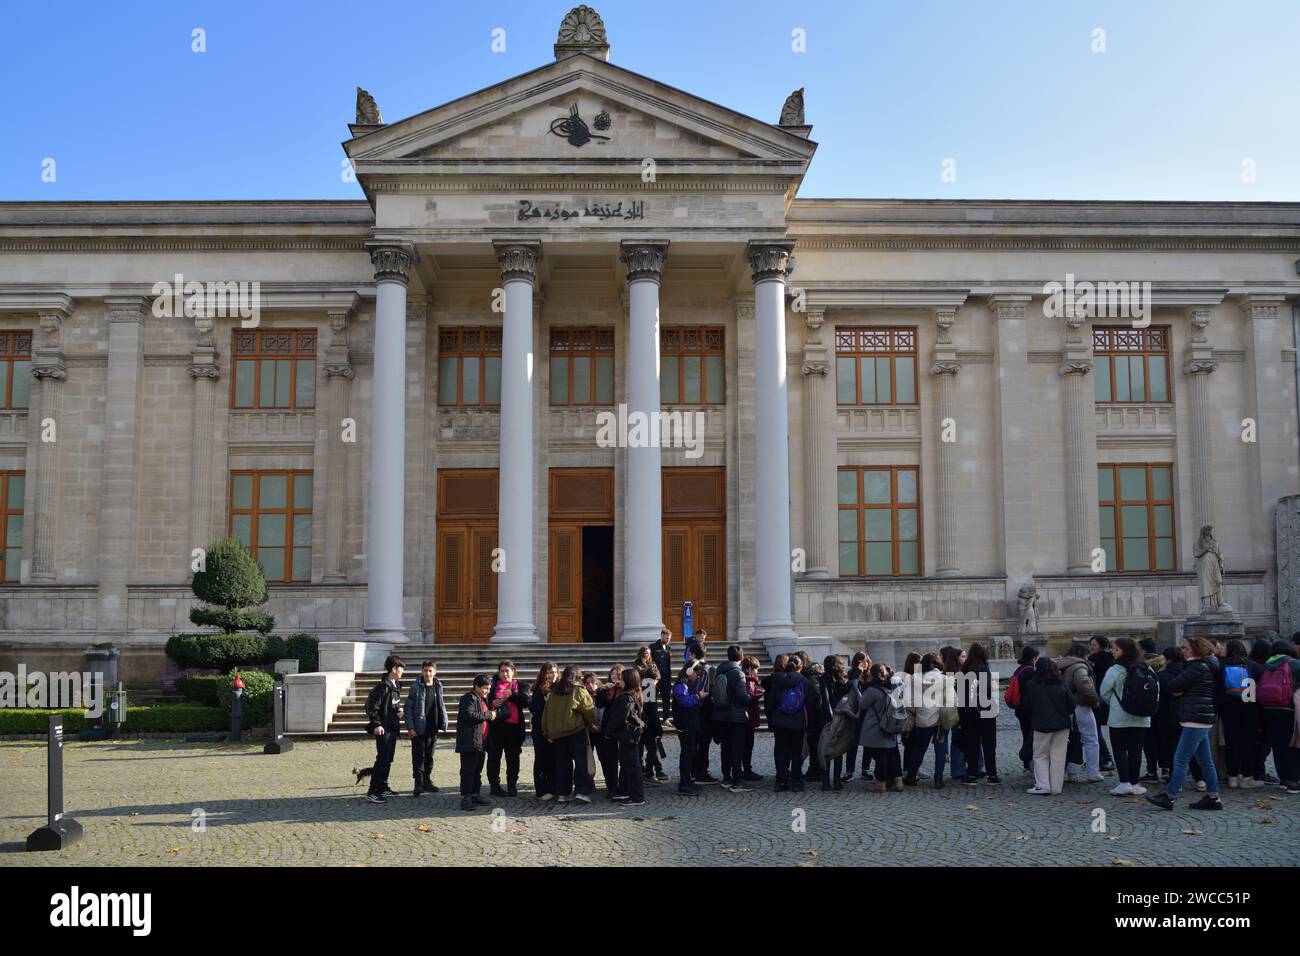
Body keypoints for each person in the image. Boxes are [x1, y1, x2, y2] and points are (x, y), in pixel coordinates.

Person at [1145, 638, 1223, 811]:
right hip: (1201, 716)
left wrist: (1179, 691)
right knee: (1205, 761)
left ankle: (1170, 796)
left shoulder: (1196, 668)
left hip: (1194, 717)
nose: (1183, 651)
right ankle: (1213, 797)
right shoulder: (1204, 667)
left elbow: (1172, 686)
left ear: (1195, 650)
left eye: (1186, 648)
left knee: (1180, 759)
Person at [1099, 637, 1153, 795]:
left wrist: (1116, 703)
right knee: (1136, 750)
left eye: (1116, 649)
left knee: (1119, 749)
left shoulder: (1115, 670)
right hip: (1142, 717)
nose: (1113, 652)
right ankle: (1135, 783)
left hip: (1119, 716)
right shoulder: (1146, 668)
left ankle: (1124, 782)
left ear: (1124, 651)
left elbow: (1104, 692)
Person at [542, 664, 596, 804]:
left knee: (562, 765)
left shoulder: (554, 692)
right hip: (576, 731)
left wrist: (547, 732)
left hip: (558, 735)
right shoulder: (578, 690)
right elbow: (589, 709)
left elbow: (546, 714)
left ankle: (562, 793)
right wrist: (591, 723)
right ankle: (581, 792)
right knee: (581, 763)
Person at [713, 644, 761, 792]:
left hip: (721, 715)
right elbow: (742, 697)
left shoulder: (720, 670)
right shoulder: (738, 673)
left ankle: (726, 778)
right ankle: (737, 782)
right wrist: (754, 697)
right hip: (736, 716)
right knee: (737, 749)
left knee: (725, 748)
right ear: (741, 657)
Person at [1219, 639, 1264, 790]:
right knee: (1249, 742)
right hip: (1249, 706)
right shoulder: (1252, 665)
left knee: (1231, 742)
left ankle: (1232, 777)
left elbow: (1218, 688)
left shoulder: (1222, 665)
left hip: (1229, 707)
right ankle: (1247, 777)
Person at [1055, 642, 1103, 783]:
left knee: (1067, 740)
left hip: (1063, 707)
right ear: (1083, 655)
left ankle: (1065, 771)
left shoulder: (1060, 664)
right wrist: (1095, 700)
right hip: (1080, 706)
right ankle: (1093, 772)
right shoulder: (1079, 666)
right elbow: (1084, 684)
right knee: (1091, 739)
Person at [1024, 656, 1074, 795]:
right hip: (1062, 724)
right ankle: (1056, 787)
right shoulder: (1061, 683)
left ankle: (1042, 785)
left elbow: (1027, 707)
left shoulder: (1031, 685)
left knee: (1040, 755)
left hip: (1041, 724)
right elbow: (1071, 705)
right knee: (1058, 756)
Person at [1258, 639, 1300, 793]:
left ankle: (1283, 778)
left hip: (1269, 708)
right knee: (1292, 744)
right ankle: (1293, 780)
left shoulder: (1268, 665)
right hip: (1288, 708)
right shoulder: (1294, 664)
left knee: (1277, 744)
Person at [364, 654, 405, 804]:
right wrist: (377, 724)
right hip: (384, 729)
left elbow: (391, 705)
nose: (403, 671)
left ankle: (383, 786)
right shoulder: (383, 687)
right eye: (401, 668)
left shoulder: (395, 686)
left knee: (388, 759)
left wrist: (398, 712)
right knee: (382, 759)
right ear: (394, 669)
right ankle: (373, 791)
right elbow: (372, 707)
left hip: (393, 728)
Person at [857, 663, 904, 792]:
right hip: (891, 724)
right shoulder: (892, 687)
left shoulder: (873, 690)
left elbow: (862, 704)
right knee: (893, 755)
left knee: (880, 756)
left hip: (877, 727)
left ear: (872, 674)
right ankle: (898, 782)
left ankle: (880, 784)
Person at [958, 643, 1000, 785]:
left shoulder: (964, 670)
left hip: (969, 712)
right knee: (989, 744)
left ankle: (971, 774)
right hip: (986, 710)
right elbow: (987, 689)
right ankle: (992, 775)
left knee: (972, 744)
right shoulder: (984, 668)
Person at [405, 659, 448, 797]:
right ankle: (418, 783)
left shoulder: (438, 686)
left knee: (429, 757)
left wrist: (444, 721)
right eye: (425, 670)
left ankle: (427, 781)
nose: (428, 673)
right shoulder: (415, 687)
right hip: (418, 729)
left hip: (433, 727)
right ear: (421, 671)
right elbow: (408, 708)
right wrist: (410, 727)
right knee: (418, 757)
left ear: (435, 672)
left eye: (430, 671)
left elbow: (440, 704)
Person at [486, 660, 529, 798]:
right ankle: (494, 785)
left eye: (507, 671)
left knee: (513, 757)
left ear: (513, 672)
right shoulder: (492, 686)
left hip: (514, 727)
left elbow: (526, 702)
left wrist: (512, 695)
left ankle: (512, 784)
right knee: (494, 757)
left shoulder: (520, 685)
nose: (505, 674)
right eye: (502, 671)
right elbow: (484, 701)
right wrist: (492, 703)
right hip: (496, 726)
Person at [455, 675, 498, 811]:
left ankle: (475, 794)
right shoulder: (469, 698)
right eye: (485, 688)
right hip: (469, 741)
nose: (487, 691)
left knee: (477, 770)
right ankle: (467, 797)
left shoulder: (481, 699)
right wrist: (488, 715)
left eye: (489, 688)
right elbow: (469, 715)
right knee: (468, 770)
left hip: (480, 741)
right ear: (476, 687)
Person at [768, 656, 810, 792]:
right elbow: (810, 704)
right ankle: (796, 782)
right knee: (796, 753)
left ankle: (780, 781)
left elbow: (771, 703)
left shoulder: (777, 680)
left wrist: (771, 720)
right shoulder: (804, 681)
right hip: (798, 722)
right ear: (801, 666)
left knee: (781, 751)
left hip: (780, 721)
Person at [606, 666, 647, 807]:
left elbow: (619, 718)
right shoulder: (634, 693)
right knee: (626, 764)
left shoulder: (626, 698)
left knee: (632, 766)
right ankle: (626, 791)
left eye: (622, 678)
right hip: (629, 735)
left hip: (627, 735)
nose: (619, 680)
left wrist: (609, 731)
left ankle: (637, 797)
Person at [902, 653, 943, 787]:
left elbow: (908, 700)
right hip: (940, 719)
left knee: (918, 749)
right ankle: (938, 779)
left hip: (922, 718)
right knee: (940, 750)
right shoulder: (942, 678)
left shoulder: (915, 678)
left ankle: (911, 776)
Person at [673, 661, 709, 795]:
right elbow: (684, 702)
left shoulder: (684, 683)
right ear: (689, 671)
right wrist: (698, 696)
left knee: (690, 753)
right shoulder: (680, 685)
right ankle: (684, 783)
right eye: (697, 673)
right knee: (687, 754)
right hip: (685, 725)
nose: (698, 677)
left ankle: (687, 780)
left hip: (688, 724)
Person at [687, 641, 719, 784]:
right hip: (702, 711)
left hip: (695, 710)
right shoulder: (704, 669)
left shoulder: (691, 668)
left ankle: (695, 771)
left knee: (697, 743)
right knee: (703, 743)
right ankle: (700, 772)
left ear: (693, 653)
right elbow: (701, 691)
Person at [820, 656, 852, 790]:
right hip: (841, 716)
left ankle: (826, 782)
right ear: (835, 665)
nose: (843, 665)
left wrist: (828, 717)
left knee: (826, 748)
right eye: (841, 663)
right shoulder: (843, 680)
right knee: (838, 750)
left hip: (829, 716)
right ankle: (837, 781)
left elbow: (825, 700)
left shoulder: (824, 679)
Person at [590, 667, 623, 798]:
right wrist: (602, 689)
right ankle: (612, 786)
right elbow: (599, 704)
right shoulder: (606, 689)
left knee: (622, 760)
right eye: (612, 674)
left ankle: (622, 786)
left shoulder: (625, 688)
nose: (614, 676)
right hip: (607, 728)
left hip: (620, 728)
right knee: (608, 760)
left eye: (617, 674)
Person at [529, 662, 559, 801]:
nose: (553, 675)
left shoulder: (559, 688)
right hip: (541, 730)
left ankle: (554, 787)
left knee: (554, 759)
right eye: (550, 672)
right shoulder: (539, 690)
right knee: (541, 758)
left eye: (555, 672)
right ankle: (541, 789)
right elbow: (535, 709)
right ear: (544, 674)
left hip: (556, 730)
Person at [1008, 646, 1039, 773]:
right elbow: (1031, 692)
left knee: (1026, 735)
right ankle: (1029, 764)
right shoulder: (1030, 671)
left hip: (1020, 709)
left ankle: (1027, 765)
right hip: (1028, 710)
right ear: (1033, 657)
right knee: (1031, 738)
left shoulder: (1019, 669)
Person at [1138, 638, 1164, 782]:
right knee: (1164, 741)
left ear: (1143, 650)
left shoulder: (1142, 666)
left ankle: (1152, 771)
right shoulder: (1165, 663)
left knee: (1148, 742)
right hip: (1165, 709)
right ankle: (1166, 768)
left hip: (1149, 708)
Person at [1089, 636, 1117, 772]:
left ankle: (1106, 758)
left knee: (1095, 730)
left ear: (1101, 646)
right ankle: (1100, 758)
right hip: (1107, 698)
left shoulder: (1094, 660)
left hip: (1097, 698)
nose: (1092, 647)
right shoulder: (1112, 658)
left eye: (1094, 645)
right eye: (1091, 644)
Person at [638, 660, 667, 782]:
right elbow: (653, 711)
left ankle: (647, 772)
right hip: (648, 724)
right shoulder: (650, 687)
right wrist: (658, 729)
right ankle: (649, 774)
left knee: (644, 749)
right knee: (652, 749)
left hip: (640, 722)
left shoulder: (641, 684)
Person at [844, 652, 871, 779]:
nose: (864, 664)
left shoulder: (870, 675)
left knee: (868, 744)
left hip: (868, 713)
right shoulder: (852, 674)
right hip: (855, 712)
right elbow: (851, 686)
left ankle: (865, 769)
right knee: (852, 743)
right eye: (861, 662)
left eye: (865, 661)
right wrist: (858, 671)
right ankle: (850, 771)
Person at [740, 656, 764, 782]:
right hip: (748, 717)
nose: (757, 672)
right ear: (750, 668)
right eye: (756, 670)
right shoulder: (748, 679)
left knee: (743, 745)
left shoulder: (743, 676)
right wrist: (760, 693)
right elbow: (749, 696)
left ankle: (741, 770)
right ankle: (747, 770)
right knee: (748, 745)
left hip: (742, 716)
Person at [651, 628, 673, 723]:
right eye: (666, 638)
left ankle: (666, 718)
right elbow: (649, 662)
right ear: (661, 636)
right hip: (655, 678)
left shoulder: (668, 648)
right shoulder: (653, 647)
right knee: (653, 699)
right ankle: (654, 718)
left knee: (666, 700)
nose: (668, 640)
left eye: (669, 638)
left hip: (666, 678)